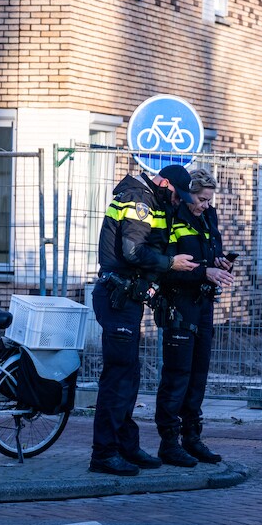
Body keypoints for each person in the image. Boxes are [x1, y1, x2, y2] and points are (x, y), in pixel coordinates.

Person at [90, 163, 199, 476]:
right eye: (176, 195)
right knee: (118, 377)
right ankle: (104, 453)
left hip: (128, 298)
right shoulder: (139, 199)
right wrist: (170, 263)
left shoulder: (152, 200)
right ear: (163, 183)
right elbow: (134, 251)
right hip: (117, 296)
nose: (177, 201)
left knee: (130, 375)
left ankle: (126, 446)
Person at [153, 167, 232, 467]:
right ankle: (169, 443)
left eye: (209, 200)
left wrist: (218, 262)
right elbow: (168, 265)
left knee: (199, 373)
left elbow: (211, 249)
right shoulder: (173, 217)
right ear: (188, 196)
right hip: (179, 303)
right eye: (201, 199)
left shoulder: (208, 217)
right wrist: (204, 270)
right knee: (177, 375)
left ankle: (192, 438)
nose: (205, 205)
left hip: (203, 303)